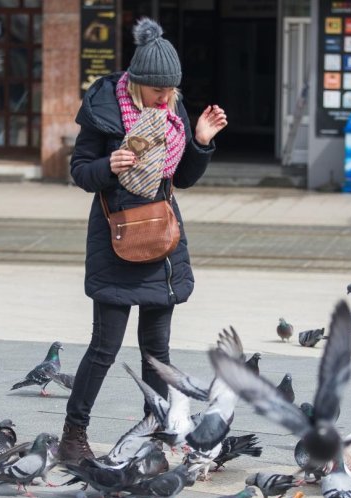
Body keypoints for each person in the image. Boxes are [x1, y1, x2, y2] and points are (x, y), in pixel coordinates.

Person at [60, 17, 227, 463]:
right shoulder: (104, 111)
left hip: (162, 240)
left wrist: (200, 141)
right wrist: (108, 165)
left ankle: (153, 433)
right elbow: (79, 171)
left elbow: (183, 179)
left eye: (172, 91)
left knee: (157, 352)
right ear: (138, 83)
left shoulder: (173, 113)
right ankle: (73, 436)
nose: (167, 99)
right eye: (159, 92)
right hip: (116, 238)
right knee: (104, 348)